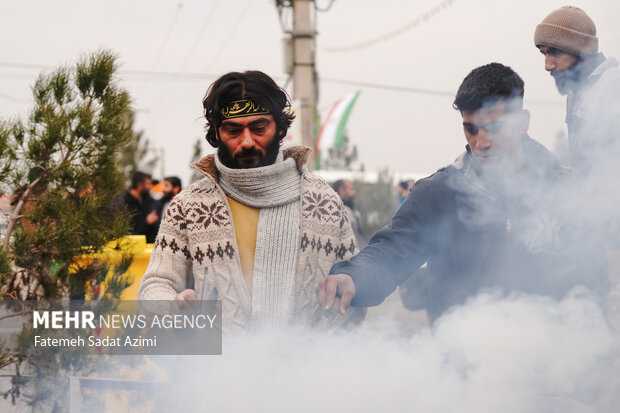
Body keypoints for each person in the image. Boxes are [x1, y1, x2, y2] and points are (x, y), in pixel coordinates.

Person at [317, 63, 608, 323]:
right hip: (467, 370)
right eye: (470, 129)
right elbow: (391, 251)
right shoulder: (439, 193)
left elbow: (592, 277)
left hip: (556, 364)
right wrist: (354, 277)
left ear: (522, 122)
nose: (480, 143)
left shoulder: (564, 189)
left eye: (492, 128)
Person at [139, 70, 364, 332]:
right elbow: (154, 285)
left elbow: (356, 289)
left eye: (259, 128)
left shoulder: (322, 200)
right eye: (233, 130)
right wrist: (172, 305)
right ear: (216, 133)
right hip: (217, 369)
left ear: (280, 128)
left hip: (309, 367)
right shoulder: (189, 205)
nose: (246, 141)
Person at [534, 6, 620, 171]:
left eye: (555, 52)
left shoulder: (613, 85)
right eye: (543, 54)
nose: (547, 65)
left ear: (583, 51)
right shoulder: (577, 93)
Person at [112, 171, 157, 237]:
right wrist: (146, 222)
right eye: (148, 184)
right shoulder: (122, 203)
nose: (150, 187)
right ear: (140, 185)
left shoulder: (149, 200)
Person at [145, 176, 182, 243]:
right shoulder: (158, 204)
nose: (163, 189)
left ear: (176, 189)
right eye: (163, 186)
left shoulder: (183, 205)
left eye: (166, 186)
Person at [332, 179, 367, 249]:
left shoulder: (333, 211)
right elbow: (357, 241)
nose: (355, 193)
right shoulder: (345, 212)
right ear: (342, 191)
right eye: (351, 189)